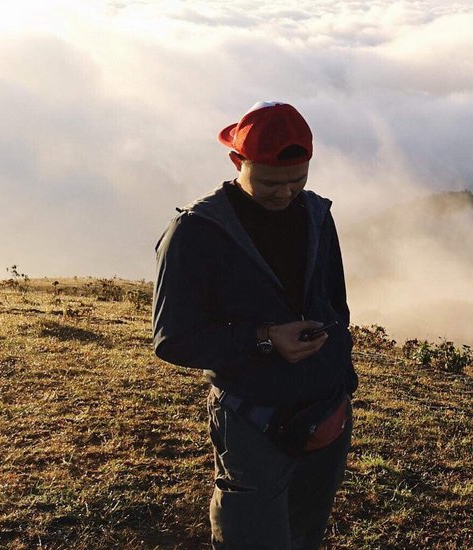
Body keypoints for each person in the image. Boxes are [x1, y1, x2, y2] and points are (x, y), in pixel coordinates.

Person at [151, 101, 358, 549]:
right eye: (269, 182)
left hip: (326, 411)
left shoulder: (317, 215)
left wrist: (344, 382)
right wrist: (264, 340)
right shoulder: (195, 231)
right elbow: (172, 339)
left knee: (306, 533)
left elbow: (335, 305)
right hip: (252, 420)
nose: (285, 194)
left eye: (297, 180)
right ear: (236, 161)